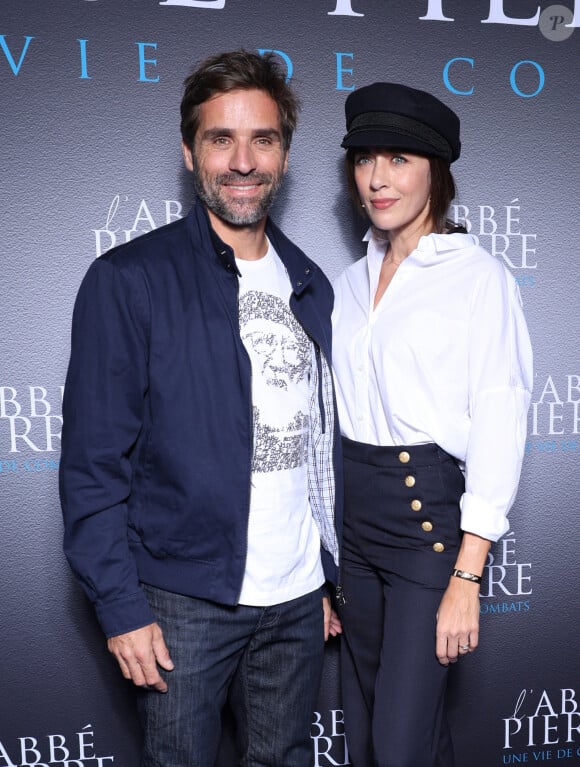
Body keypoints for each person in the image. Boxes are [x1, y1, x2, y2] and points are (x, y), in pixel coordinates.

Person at [59, 49, 342, 767]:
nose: (243, 161)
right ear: (190, 153)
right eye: (221, 139)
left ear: (284, 153)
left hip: (299, 597)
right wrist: (121, 608)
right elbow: (94, 466)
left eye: (263, 139)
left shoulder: (311, 282)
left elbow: (317, 445)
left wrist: (323, 572)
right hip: (182, 600)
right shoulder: (128, 280)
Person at [331, 82, 533, 767]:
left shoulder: (479, 278)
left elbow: (501, 418)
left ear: (435, 172)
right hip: (355, 529)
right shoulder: (348, 282)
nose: (377, 178)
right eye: (364, 159)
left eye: (399, 159)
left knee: (398, 745)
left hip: (427, 531)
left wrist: (467, 576)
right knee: (369, 734)